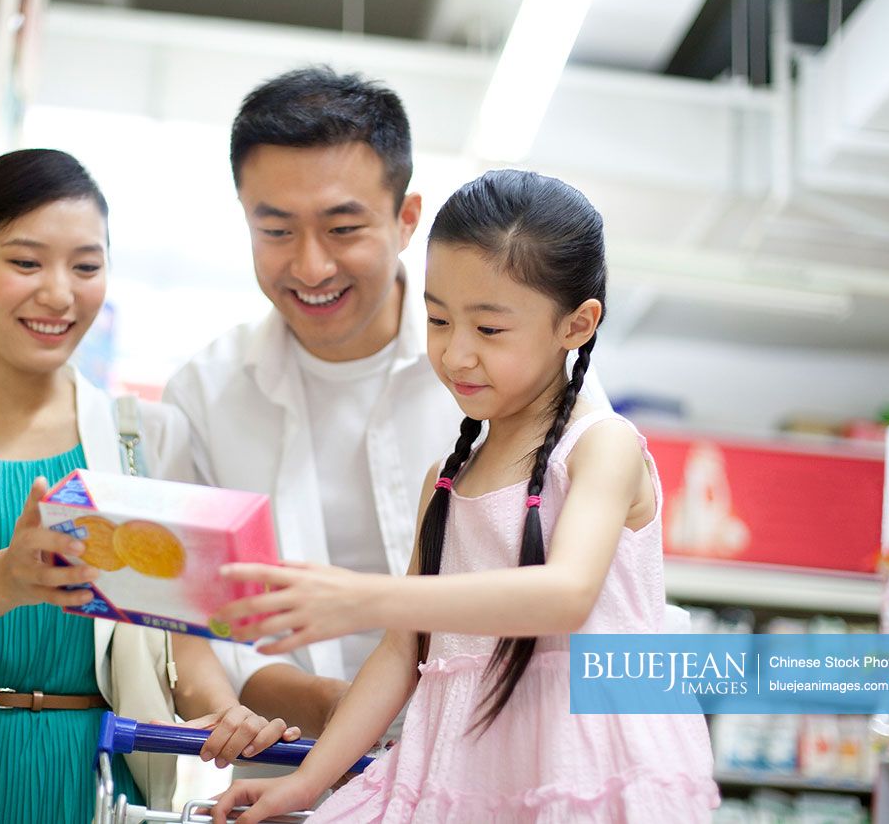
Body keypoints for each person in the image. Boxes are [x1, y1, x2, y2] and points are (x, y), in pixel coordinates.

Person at [208, 170, 720, 823]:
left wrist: (360, 597)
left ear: (577, 324)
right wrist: (306, 783)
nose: (455, 354)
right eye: (437, 319)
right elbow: (401, 651)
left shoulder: (602, 445)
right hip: (458, 770)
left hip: (589, 769)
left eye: (489, 329)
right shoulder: (446, 481)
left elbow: (563, 595)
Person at [0, 149, 296, 823]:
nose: (59, 293)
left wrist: (226, 716)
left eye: (85, 265)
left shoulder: (146, 440)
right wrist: (9, 578)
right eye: (25, 262)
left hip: (85, 781)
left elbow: (183, 652)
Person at [162, 67, 607, 739]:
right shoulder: (204, 396)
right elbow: (189, 618)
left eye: (342, 229)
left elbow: (603, 588)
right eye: (276, 231)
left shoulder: (527, 371)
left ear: (405, 220)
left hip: (505, 761)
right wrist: (311, 706)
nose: (311, 267)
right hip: (293, 761)